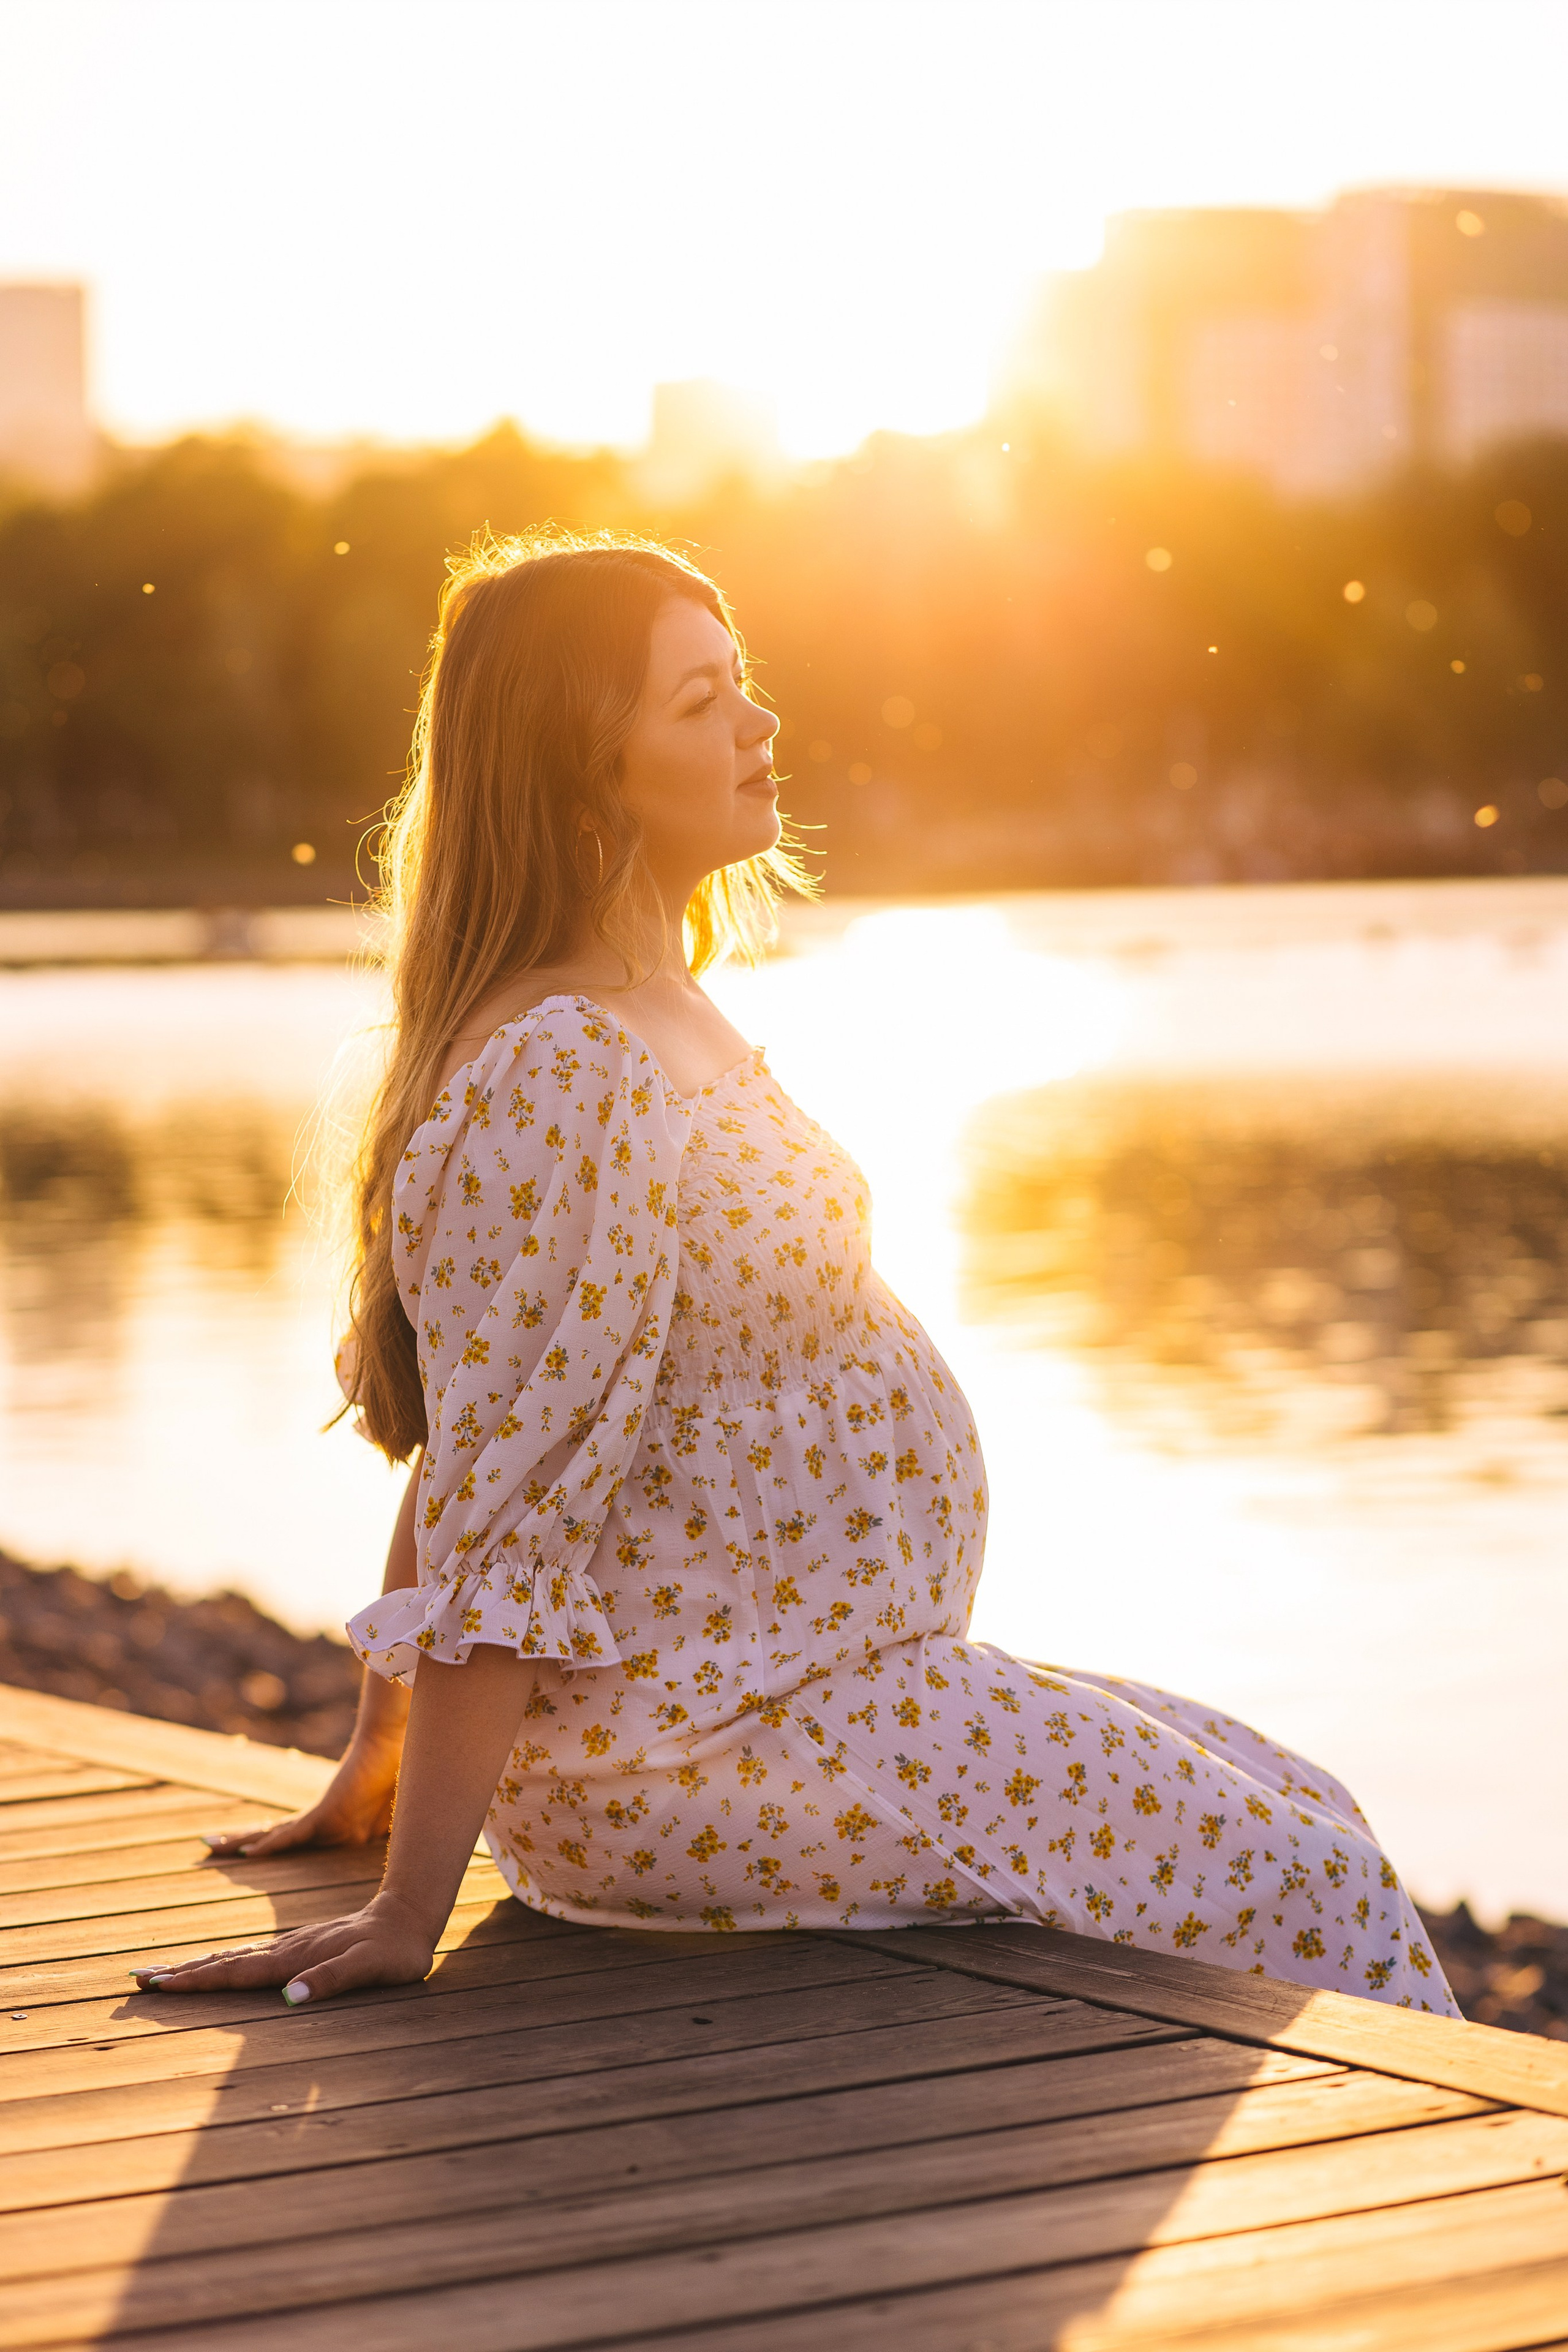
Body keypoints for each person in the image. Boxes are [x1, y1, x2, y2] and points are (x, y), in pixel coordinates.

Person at [134, 532, 1457, 2016]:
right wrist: (405, 1908)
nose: (759, 726)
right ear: (585, 770)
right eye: (699, 704)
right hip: (696, 1746)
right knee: (1315, 1890)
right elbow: (503, 1483)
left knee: (1310, 1806)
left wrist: (374, 1757)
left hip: (801, 1693)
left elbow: (478, 1430)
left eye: (740, 685)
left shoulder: (653, 1004)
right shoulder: (565, 1066)